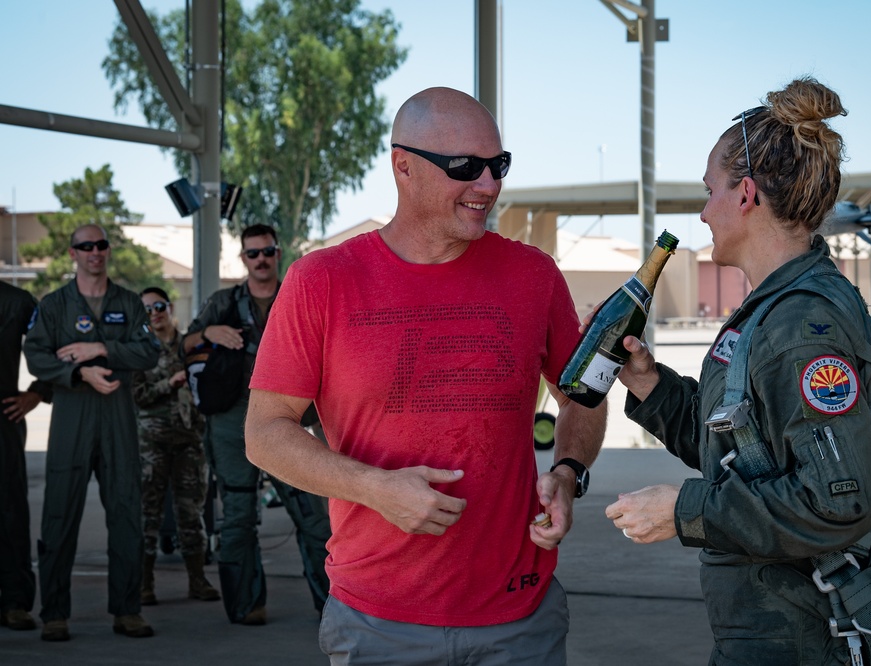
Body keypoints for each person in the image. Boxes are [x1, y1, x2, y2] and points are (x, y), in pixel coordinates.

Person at [244, 86, 609, 665]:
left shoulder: (534, 275)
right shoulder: (321, 280)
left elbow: (583, 397)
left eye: (499, 165)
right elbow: (264, 434)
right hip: (377, 623)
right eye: (465, 167)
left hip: (520, 617)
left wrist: (567, 473)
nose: (488, 185)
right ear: (403, 166)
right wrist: (375, 489)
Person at [604, 77, 871, 665]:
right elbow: (743, 451)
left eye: (710, 192)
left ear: (745, 194)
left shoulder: (801, 327)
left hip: (801, 639)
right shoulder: (776, 309)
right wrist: (647, 381)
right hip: (770, 634)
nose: (703, 213)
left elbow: (838, 501)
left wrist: (682, 511)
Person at [183, 224, 331, 626]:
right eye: (252, 254)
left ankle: (333, 605)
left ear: (277, 253)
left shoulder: (299, 294)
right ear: (243, 258)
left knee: (314, 516)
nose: (260, 259)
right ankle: (246, 606)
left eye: (267, 251)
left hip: (290, 415)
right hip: (233, 420)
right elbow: (185, 344)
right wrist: (207, 332)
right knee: (237, 515)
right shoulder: (223, 302)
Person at [23, 224, 159, 641]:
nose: (94, 252)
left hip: (118, 422)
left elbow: (149, 351)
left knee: (125, 517)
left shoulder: (130, 303)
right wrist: (78, 372)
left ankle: (127, 610)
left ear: (108, 251)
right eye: (86, 246)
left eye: (100, 245)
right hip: (72, 421)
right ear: (73, 253)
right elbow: (35, 356)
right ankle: (55, 614)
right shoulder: (54, 305)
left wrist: (100, 348)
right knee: (59, 515)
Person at [132, 287, 220, 606]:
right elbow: (137, 395)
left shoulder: (189, 345)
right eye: (147, 309)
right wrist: (167, 384)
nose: (154, 313)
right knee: (148, 515)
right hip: (151, 443)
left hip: (189, 442)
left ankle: (197, 580)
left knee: (191, 513)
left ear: (169, 307)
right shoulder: (139, 350)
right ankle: (144, 584)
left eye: (159, 306)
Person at [0, 281, 52, 632]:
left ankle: (16, 601)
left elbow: (51, 345)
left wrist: (37, 393)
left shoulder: (16, 302)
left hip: (2, 423)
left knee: (9, 510)